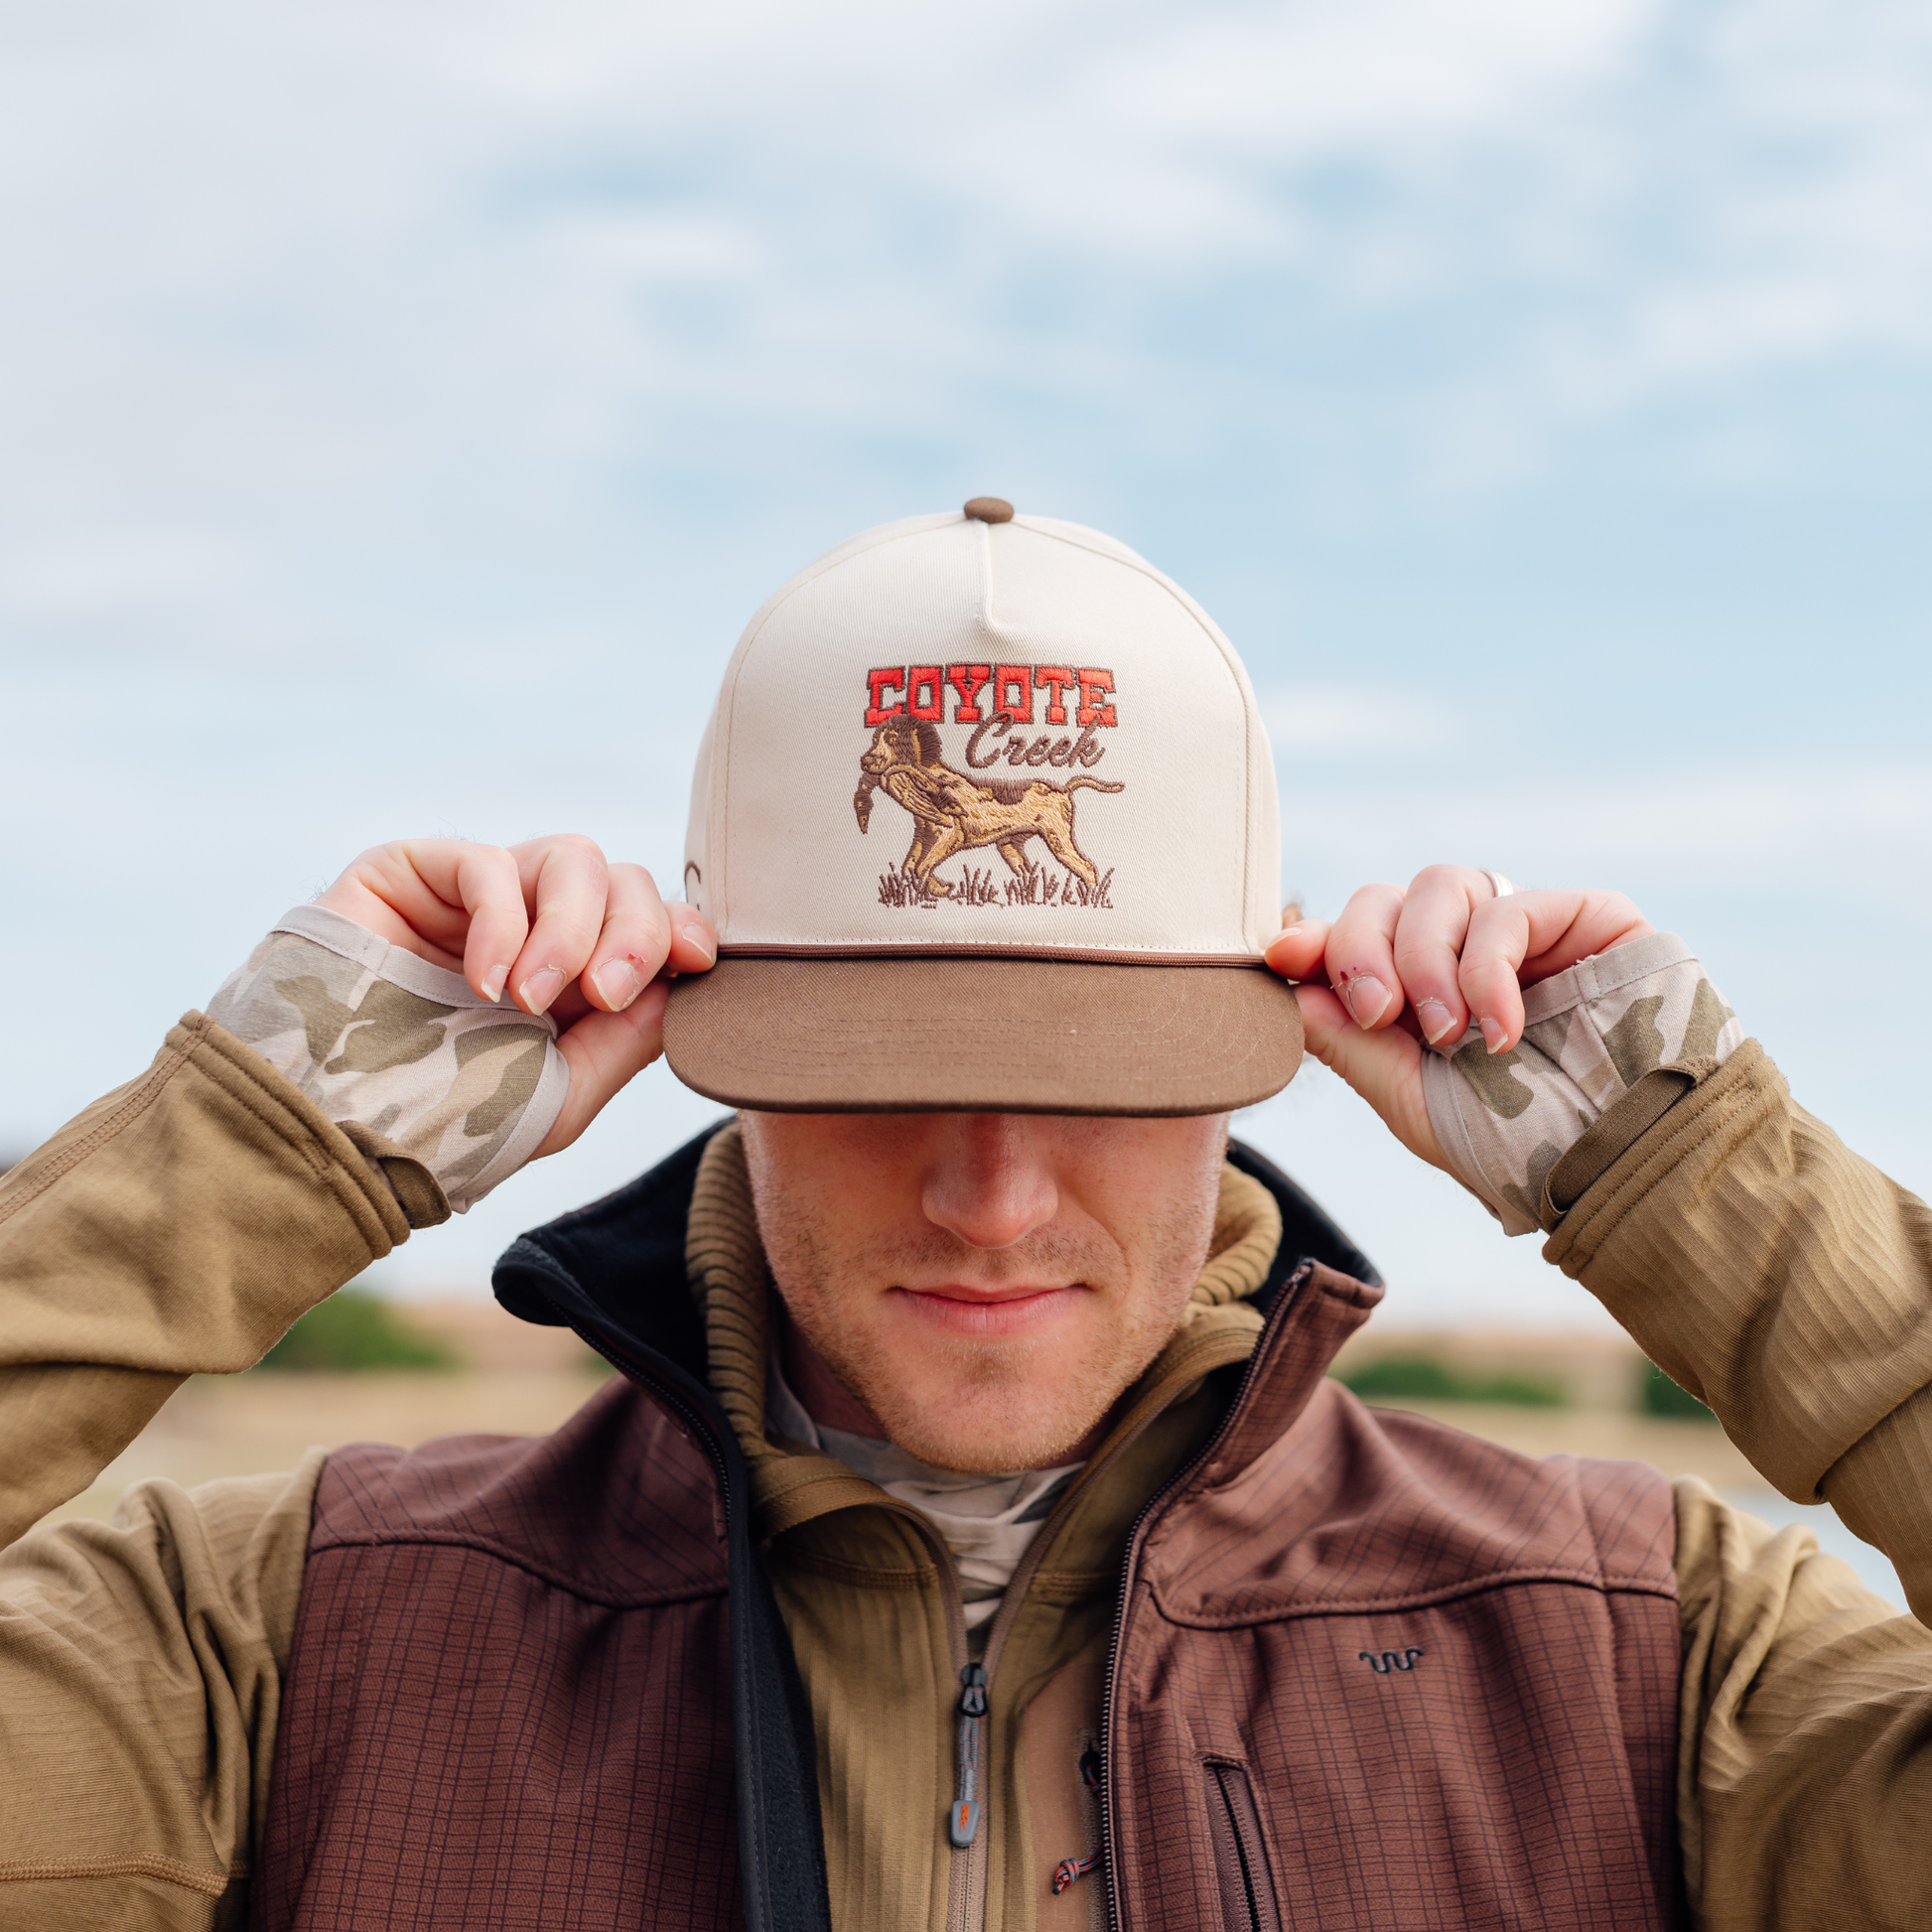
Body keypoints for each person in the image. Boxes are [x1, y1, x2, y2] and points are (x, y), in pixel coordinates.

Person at [1, 501, 1928, 1932]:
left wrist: (1690, 1179)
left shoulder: (1655, 1650)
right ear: (703, 1028)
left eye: (1100, 1074)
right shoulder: (261, 1645)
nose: (989, 1194)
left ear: (1262, 1035)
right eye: (872, 1063)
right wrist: (262, 1138)